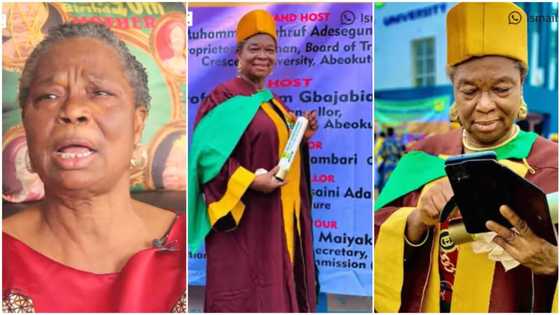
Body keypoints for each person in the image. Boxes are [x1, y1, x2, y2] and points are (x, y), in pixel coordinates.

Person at [374, 3, 558, 312]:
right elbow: (376, 237)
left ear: (521, 88)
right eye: (469, 91)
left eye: (501, 89)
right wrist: (417, 220)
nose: (484, 105)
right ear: (454, 93)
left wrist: (552, 262)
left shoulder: (552, 164)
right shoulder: (423, 157)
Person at [2, 23, 185, 312]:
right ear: (26, 123)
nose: (73, 110)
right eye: (49, 96)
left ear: (137, 124)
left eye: (99, 92)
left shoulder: (195, 248)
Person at [189, 9, 318, 312]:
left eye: (269, 50)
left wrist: (302, 136)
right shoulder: (223, 98)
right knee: (247, 290)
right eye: (254, 48)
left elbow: (278, 152)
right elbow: (208, 159)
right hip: (245, 220)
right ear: (239, 53)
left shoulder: (272, 102)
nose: (263, 56)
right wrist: (250, 180)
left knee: (277, 286)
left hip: (280, 215)